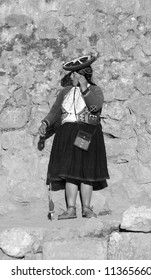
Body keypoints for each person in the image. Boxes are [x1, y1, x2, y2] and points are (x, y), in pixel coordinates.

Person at [38, 54, 109, 219]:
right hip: (67, 134)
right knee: (70, 172)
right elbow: (56, 110)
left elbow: (95, 107)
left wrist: (85, 88)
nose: (72, 76)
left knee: (87, 172)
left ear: (83, 74)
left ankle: (87, 208)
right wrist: (46, 123)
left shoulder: (95, 90)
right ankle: (71, 209)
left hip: (87, 133)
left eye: (75, 73)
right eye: (72, 73)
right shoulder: (66, 92)